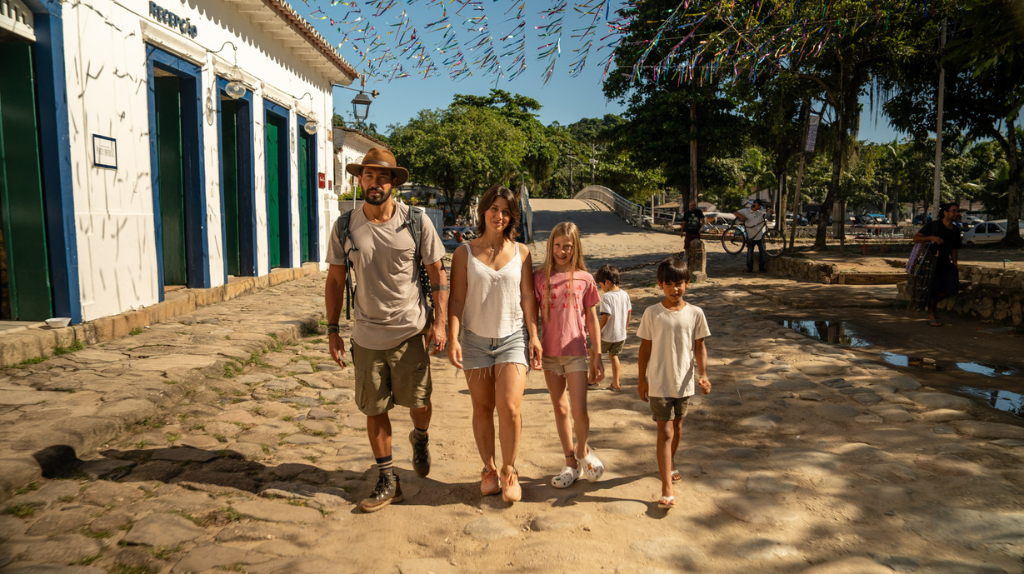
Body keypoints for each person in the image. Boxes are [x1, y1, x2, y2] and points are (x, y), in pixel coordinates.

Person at [324, 148, 448, 513]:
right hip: (366, 334)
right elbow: (335, 279)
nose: (374, 183)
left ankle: (420, 436)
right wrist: (332, 329)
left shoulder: (416, 221)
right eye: (367, 176)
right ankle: (388, 479)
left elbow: (438, 273)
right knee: (374, 409)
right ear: (359, 179)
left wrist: (439, 323)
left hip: (410, 330)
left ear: (393, 182)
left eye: (382, 177)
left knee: (420, 403)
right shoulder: (345, 226)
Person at [448, 185, 542, 503]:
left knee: (510, 408)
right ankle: (488, 470)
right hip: (474, 339)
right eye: (493, 208)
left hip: (513, 337)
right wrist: (453, 337)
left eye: (505, 210)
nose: (499, 215)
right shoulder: (464, 252)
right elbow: (457, 298)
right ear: (483, 211)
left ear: (511, 216)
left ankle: (509, 470)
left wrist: (534, 335)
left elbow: (528, 296)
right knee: (483, 408)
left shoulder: (522, 252)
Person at [534, 222, 605, 488]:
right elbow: (531, 314)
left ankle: (583, 450)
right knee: (560, 408)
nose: (562, 251)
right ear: (550, 246)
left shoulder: (585, 279)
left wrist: (597, 355)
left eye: (568, 246)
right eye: (558, 245)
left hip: (576, 352)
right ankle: (570, 463)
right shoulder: (539, 277)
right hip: (550, 354)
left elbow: (593, 320)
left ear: (576, 248)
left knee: (578, 410)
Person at [636, 256, 711, 509]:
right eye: (669, 284)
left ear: (688, 284)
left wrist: (703, 375)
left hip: (684, 382)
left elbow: (700, 346)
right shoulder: (652, 313)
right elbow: (644, 348)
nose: (674, 289)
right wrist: (641, 380)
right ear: (660, 285)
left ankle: (671, 461)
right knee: (665, 431)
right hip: (658, 382)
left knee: (677, 428)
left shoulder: (695, 314)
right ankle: (666, 485)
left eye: (679, 283)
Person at [913, 202, 962, 326]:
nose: (956, 213)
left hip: (946, 262)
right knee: (934, 290)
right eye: (954, 211)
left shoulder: (956, 230)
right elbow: (916, 238)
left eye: (957, 211)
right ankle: (931, 316)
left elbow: (955, 248)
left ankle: (931, 305)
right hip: (932, 263)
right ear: (945, 212)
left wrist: (955, 263)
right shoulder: (934, 226)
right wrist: (932, 238)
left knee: (952, 289)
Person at [594, 264, 631, 391]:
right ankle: (615, 383)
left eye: (601, 285)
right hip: (621, 334)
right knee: (614, 356)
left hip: (607, 335)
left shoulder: (606, 297)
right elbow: (629, 312)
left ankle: (592, 380)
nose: (601, 288)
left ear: (607, 282)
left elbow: (606, 315)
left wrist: (597, 330)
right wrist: (625, 328)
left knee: (593, 352)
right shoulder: (625, 294)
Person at [734, 199, 770, 272]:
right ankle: (750, 268)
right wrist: (741, 216)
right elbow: (735, 212)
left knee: (762, 252)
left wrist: (771, 211)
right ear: (754, 204)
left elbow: (770, 212)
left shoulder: (761, 210)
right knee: (750, 252)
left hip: (761, 235)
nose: (759, 207)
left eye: (760, 205)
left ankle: (761, 268)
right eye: (758, 205)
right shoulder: (746, 211)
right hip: (750, 235)